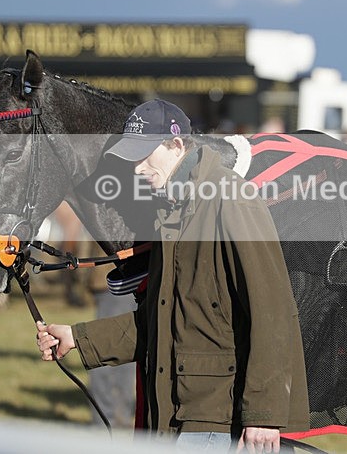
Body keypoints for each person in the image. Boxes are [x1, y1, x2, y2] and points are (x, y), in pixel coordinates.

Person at [36, 99, 309, 452]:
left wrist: (264, 415)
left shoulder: (232, 199)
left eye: (144, 155)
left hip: (215, 419)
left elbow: (271, 313)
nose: (137, 169)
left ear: (176, 145)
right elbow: (159, 321)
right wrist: (78, 337)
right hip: (172, 415)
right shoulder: (169, 212)